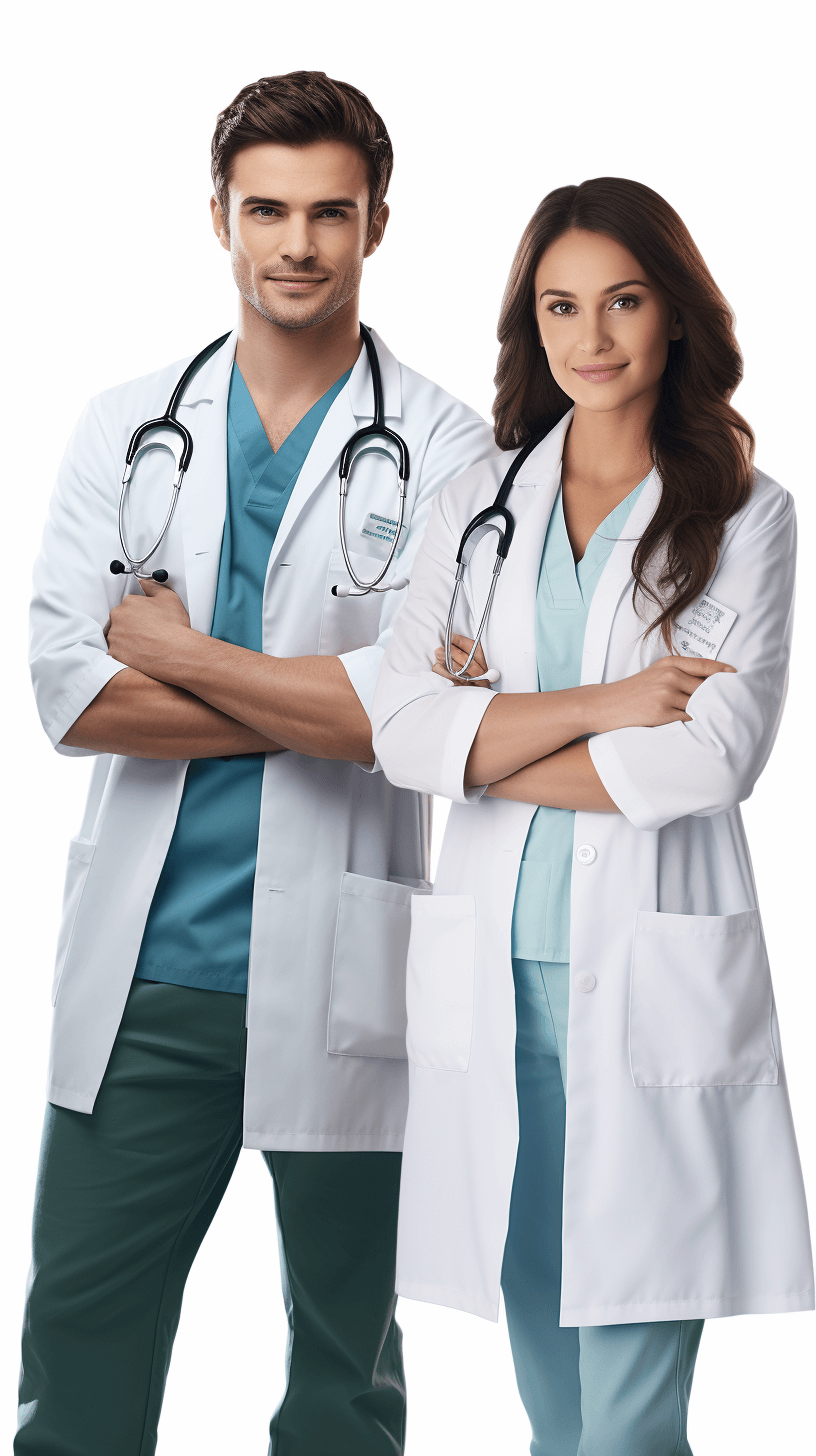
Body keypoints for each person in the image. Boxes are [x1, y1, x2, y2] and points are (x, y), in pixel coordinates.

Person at [20, 71, 495, 1455]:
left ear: (378, 223)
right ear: (219, 218)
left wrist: (184, 653)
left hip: (353, 979)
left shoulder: (455, 449)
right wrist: (334, 701)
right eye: (270, 210)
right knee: (80, 1353)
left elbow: (421, 725)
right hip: (149, 980)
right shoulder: (126, 424)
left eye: (330, 213)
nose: (299, 243)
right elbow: (71, 693)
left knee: (346, 1369)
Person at [372, 177, 813, 1455]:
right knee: (546, 1385)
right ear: (532, 327)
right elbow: (402, 735)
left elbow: (708, 759)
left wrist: (485, 737)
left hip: (645, 983)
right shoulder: (475, 508)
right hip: (494, 985)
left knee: (626, 1412)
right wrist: (611, 703)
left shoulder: (743, 516)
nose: (593, 337)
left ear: (674, 315)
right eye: (561, 306)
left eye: (623, 301)